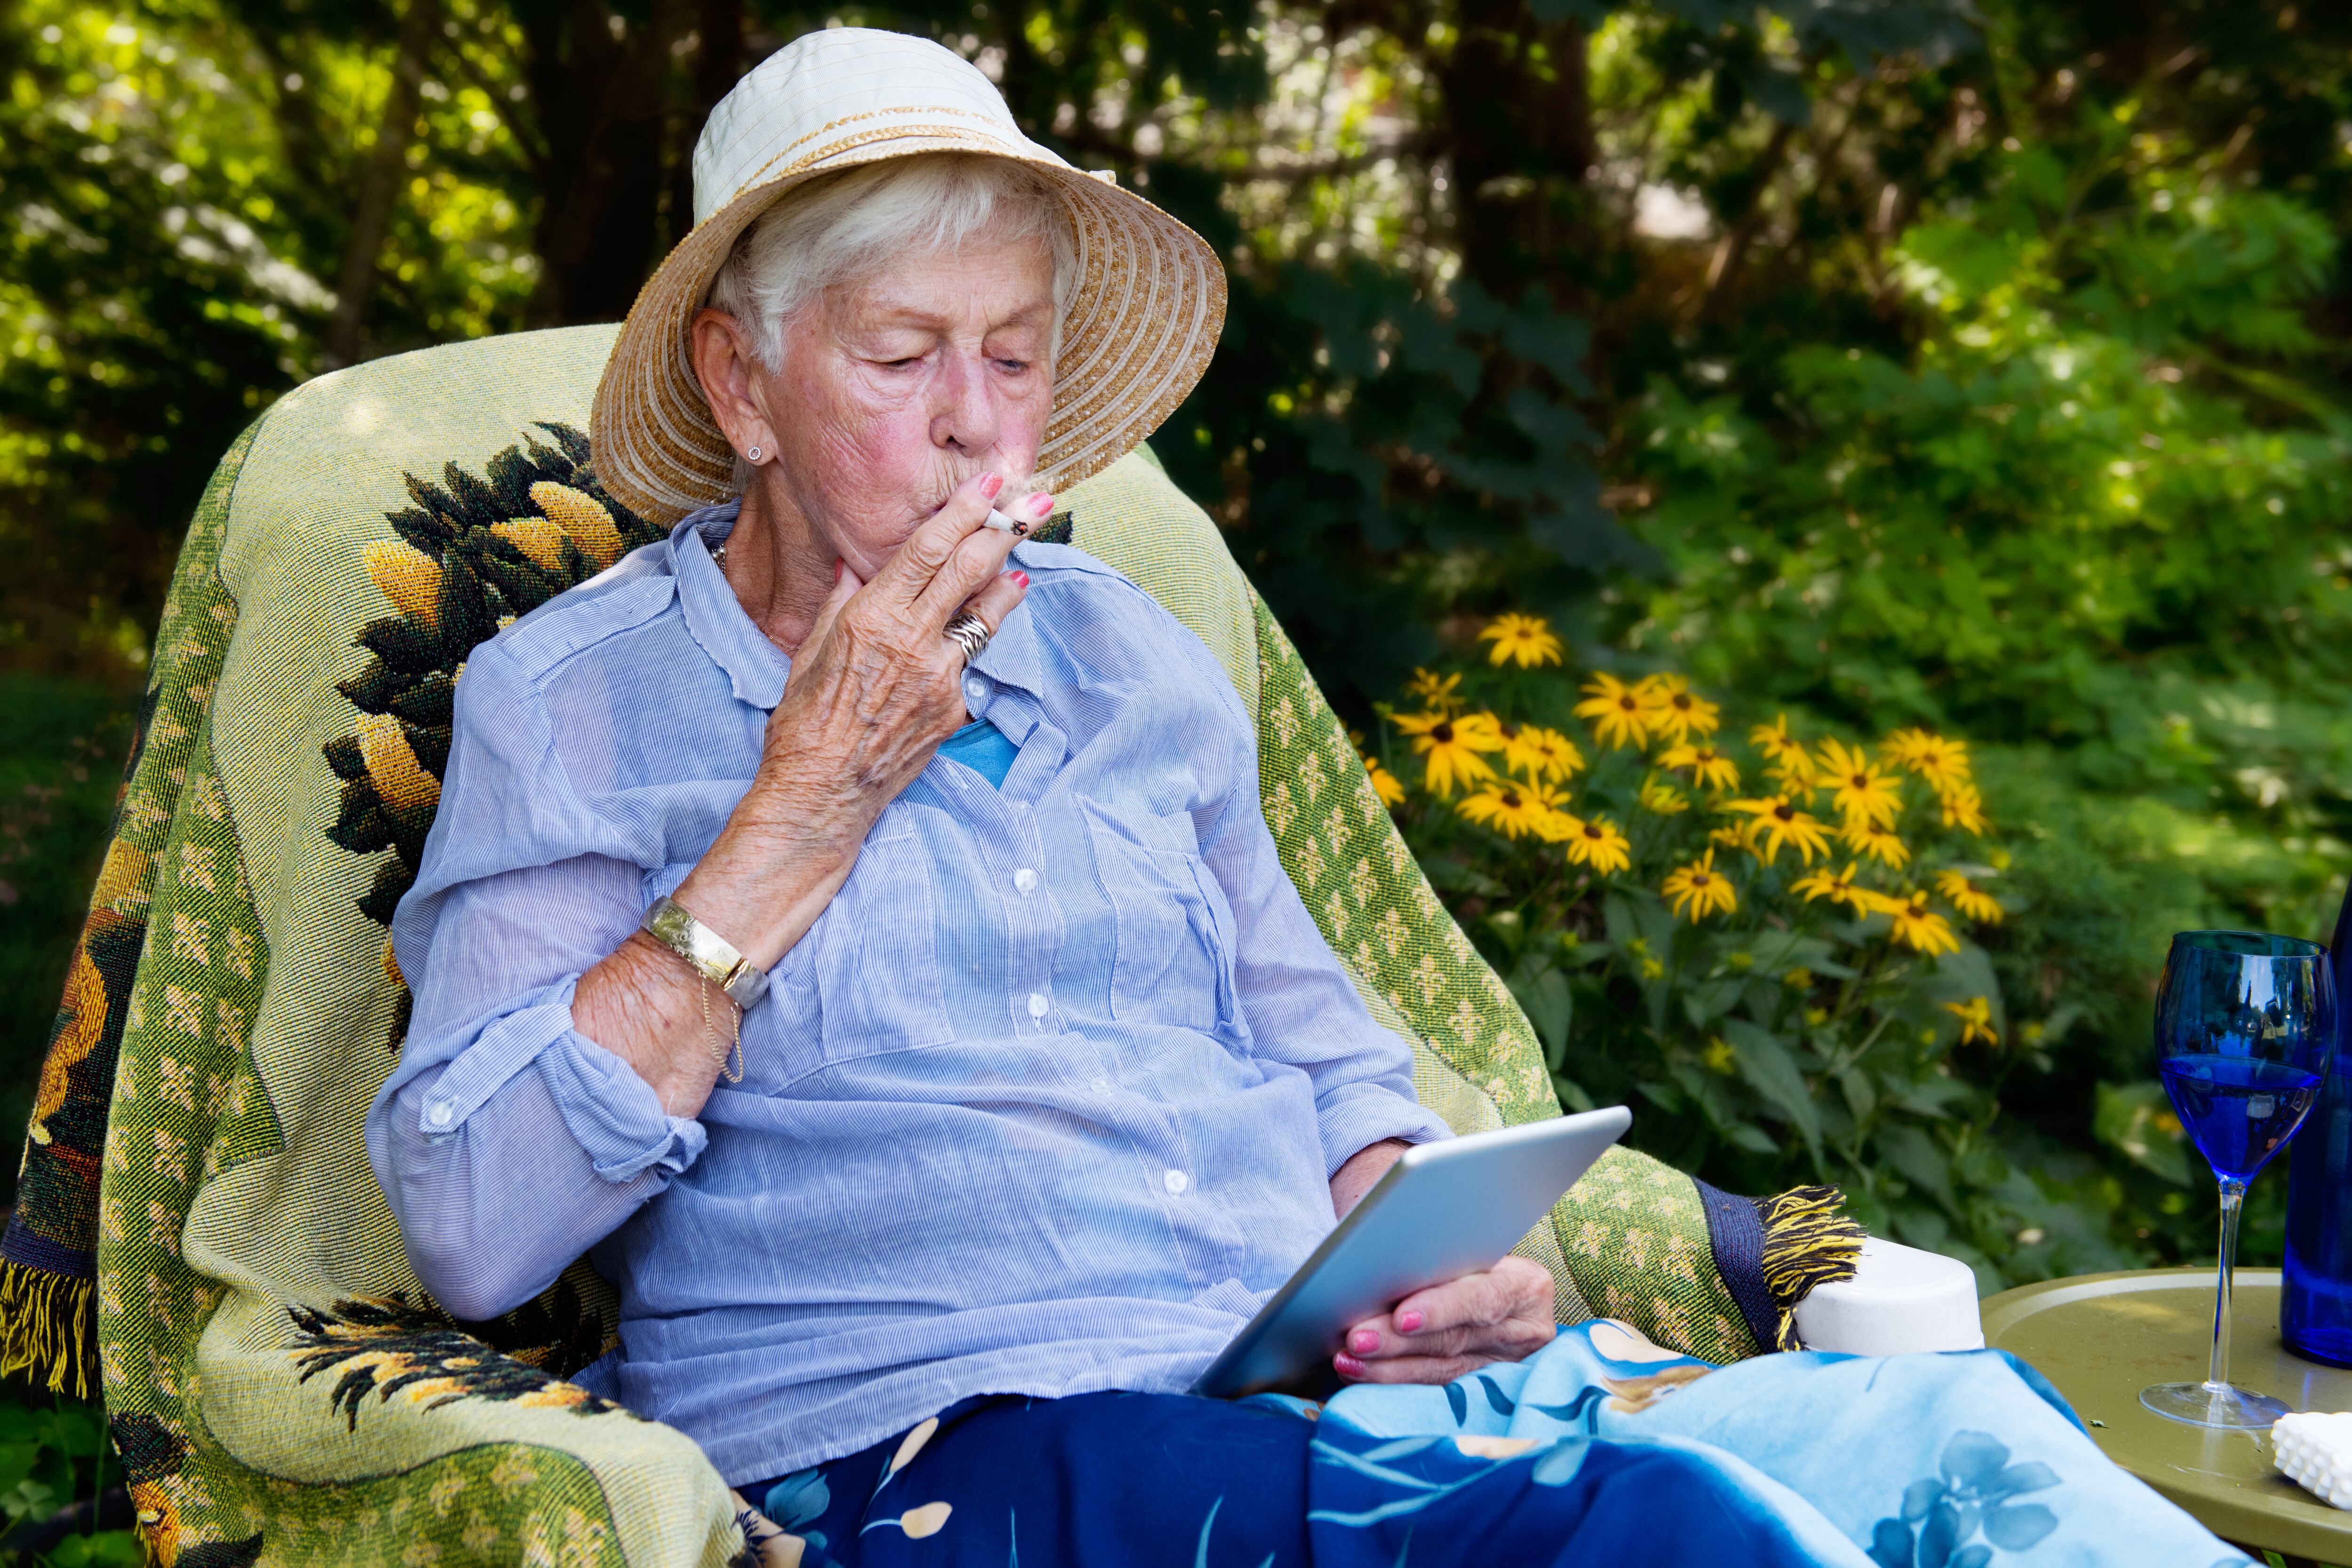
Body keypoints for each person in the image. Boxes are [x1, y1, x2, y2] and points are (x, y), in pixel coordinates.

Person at [369, 28, 2245, 1567]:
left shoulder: (1132, 662)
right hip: (945, 1442)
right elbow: (469, 1223)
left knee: (1942, 1426)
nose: (971, 422)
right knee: (1685, 1528)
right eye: (897, 356)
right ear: (743, 379)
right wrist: (798, 803)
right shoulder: (581, 702)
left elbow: (1330, 1068)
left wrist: (1436, 1265)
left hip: (1323, 1405)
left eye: (1012, 361)